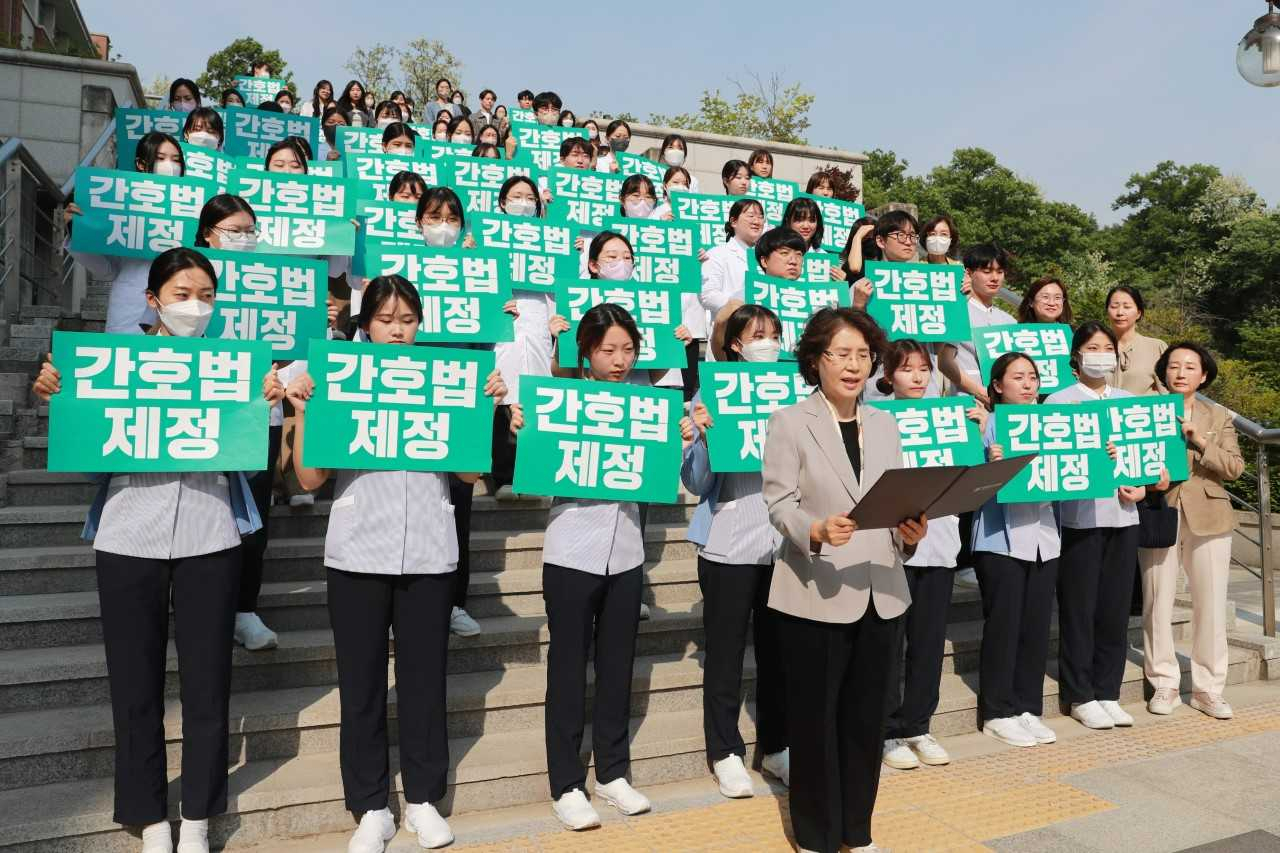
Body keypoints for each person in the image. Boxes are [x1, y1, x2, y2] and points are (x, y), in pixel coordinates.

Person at [32, 247, 284, 853]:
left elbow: (254, 457)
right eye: (181, 295)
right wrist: (55, 394)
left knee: (207, 683)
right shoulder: (110, 363)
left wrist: (268, 401)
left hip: (209, 534)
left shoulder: (235, 367)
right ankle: (148, 815)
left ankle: (197, 813)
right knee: (135, 683)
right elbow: (84, 440)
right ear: (153, 300)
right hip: (128, 534)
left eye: (205, 296)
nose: (194, 307)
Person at [284, 275, 511, 853]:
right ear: (365, 325)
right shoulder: (339, 378)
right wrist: (306, 411)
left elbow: (467, 476)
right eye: (385, 320)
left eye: (407, 320)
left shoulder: (446, 380)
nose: (397, 330)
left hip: (430, 553)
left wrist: (480, 409)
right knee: (360, 685)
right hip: (359, 551)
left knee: (423, 681)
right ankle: (369, 806)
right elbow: (310, 478)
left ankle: (423, 799)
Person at [761, 307, 926, 853]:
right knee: (814, 723)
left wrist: (912, 532)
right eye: (842, 354)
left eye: (863, 355)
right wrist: (813, 529)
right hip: (816, 590)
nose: (854, 366)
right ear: (816, 360)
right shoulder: (789, 421)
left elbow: (895, 504)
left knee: (864, 723)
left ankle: (857, 830)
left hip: (882, 589)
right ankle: (815, 835)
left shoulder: (886, 423)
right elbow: (779, 502)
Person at [524, 303, 669, 831]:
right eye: (608, 350)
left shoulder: (648, 404)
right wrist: (525, 427)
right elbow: (539, 468)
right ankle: (565, 783)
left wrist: (689, 434)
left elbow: (660, 473)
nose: (619, 360)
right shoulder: (561, 403)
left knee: (616, 668)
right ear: (585, 351)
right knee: (567, 672)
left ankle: (612, 772)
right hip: (571, 553)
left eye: (628, 350)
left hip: (627, 554)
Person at [681, 303, 789, 799]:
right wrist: (701, 436)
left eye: (774, 333)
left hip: (785, 545)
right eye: (756, 334)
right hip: (728, 542)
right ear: (737, 345)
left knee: (778, 654)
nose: (767, 341)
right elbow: (697, 481)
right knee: (724, 656)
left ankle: (777, 745)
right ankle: (724, 751)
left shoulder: (798, 394)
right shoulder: (713, 393)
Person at [879, 339, 986, 771]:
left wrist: (977, 433)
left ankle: (918, 724)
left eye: (924, 369)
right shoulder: (876, 419)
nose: (918, 376)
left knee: (926, 644)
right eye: (906, 369)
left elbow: (969, 481)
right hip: (893, 547)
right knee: (890, 644)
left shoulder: (950, 417)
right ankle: (886, 730)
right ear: (887, 377)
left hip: (940, 547)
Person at [1045, 322, 1146, 730]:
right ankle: (1079, 693)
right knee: (1079, 609)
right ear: (1076, 355)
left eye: (1106, 346)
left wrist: (1139, 485)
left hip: (1124, 517)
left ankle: (1108, 690)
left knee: (1115, 610)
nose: (1100, 353)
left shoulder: (1127, 401)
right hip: (1079, 520)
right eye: (1091, 347)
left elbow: (1147, 459)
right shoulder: (1058, 401)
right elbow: (1052, 464)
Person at [1142, 342, 1245, 719]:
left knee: (1211, 605)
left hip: (1209, 516)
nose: (1181, 372)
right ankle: (1164, 683)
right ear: (1163, 372)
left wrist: (1200, 441)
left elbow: (1234, 468)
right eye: (1173, 366)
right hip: (1159, 510)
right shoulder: (1144, 411)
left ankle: (1208, 688)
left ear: (1203, 375)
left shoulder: (1218, 416)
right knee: (1157, 600)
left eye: (1190, 366)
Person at [972, 352, 1060, 749]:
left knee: (1036, 627)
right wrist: (988, 460)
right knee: (1005, 626)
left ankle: (1027, 706)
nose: (1028, 384)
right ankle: (996, 711)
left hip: (1045, 538)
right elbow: (970, 483)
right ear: (997, 386)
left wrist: (1102, 456)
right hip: (999, 540)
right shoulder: (985, 425)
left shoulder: (1056, 424)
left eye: (1033, 377)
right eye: (1018, 377)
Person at [65, 131, 186, 334]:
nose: (170, 165)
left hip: (181, 308)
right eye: (160, 158)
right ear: (141, 164)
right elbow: (107, 270)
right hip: (131, 311)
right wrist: (76, 231)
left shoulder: (193, 208)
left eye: (176, 160)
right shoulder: (119, 204)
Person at [490, 176, 551, 500]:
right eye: (516, 196)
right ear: (502, 202)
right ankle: (503, 475)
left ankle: (532, 473)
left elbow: (561, 285)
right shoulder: (487, 238)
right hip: (503, 321)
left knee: (534, 396)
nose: (524, 202)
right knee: (503, 394)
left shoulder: (548, 240)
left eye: (530, 197)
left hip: (538, 319)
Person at [938, 243, 1018, 406]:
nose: (995, 278)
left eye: (1000, 272)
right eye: (987, 271)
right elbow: (945, 362)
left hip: (1004, 407)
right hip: (969, 404)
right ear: (969, 273)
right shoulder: (959, 312)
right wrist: (982, 394)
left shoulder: (1009, 320)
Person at [699, 199, 765, 318]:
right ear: (734, 222)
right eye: (751, 216)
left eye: (761, 217)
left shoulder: (766, 257)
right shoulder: (717, 253)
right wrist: (742, 306)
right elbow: (708, 295)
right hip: (730, 325)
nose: (757, 221)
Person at [1107, 285, 1168, 396]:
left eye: (1127, 307)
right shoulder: (1095, 348)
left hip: (1140, 412)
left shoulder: (1156, 347)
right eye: (1114, 306)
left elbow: (1168, 395)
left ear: (1138, 313)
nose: (1120, 312)